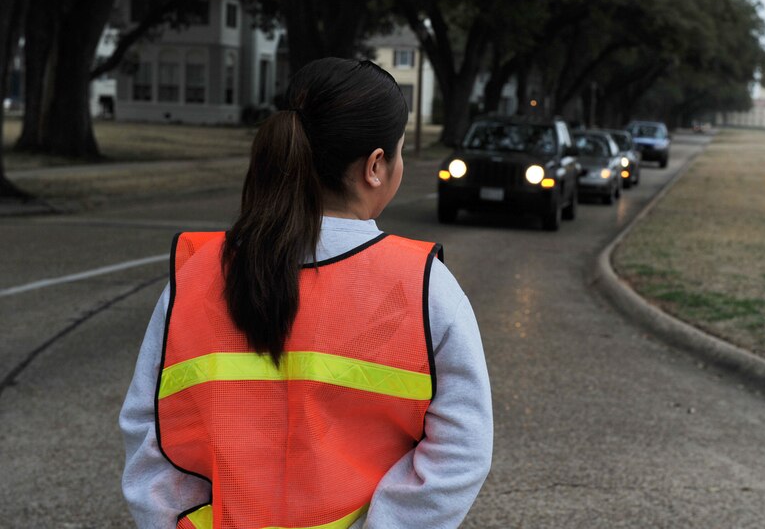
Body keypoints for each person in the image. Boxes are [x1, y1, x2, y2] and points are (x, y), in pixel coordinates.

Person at [120, 58, 493, 529]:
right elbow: (461, 450)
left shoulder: (196, 275)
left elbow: (149, 429)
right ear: (376, 166)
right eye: (398, 153)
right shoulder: (423, 285)